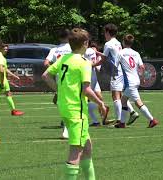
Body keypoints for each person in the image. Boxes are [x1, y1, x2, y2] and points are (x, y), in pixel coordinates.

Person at [42, 28, 106, 180]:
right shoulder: (83, 63)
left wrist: (59, 90)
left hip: (65, 107)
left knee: (87, 146)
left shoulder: (63, 58)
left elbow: (46, 75)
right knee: (76, 150)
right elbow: (86, 89)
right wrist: (100, 103)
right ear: (85, 43)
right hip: (76, 110)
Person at [93, 23, 139, 125]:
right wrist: (97, 53)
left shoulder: (108, 44)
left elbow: (103, 59)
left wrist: (92, 65)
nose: (104, 34)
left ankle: (119, 120)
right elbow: (109, 56)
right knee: (121, 95)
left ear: (108, 32)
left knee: (115, 96)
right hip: (121, 71)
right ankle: (132, 112)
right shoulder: (118, 43)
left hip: (115, 71)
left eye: (105, 32)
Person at [115, 34, 159, 128]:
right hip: (136, 80)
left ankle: (152, 120)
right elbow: (142, 67)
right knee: (124, 100)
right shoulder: (136, 53)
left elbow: (115, 66)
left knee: (138, 102)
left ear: (123, 42)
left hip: (129, 82)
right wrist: (142, 77)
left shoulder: (120, 53)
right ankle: (122, 123)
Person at [43, 28, 72, 138]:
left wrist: (56, 69)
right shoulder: (72, 48)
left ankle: (66, 125)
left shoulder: (54, 49)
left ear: (59, 38)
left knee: (63, 102)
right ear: (69, 37)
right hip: (72, 77)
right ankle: (67, 127)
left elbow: (46, 63)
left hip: (60, 78)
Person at [84, 42, 109, 126]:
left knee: (84, 100)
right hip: (93, 77)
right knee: (97, 97)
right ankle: (100, 117)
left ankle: (102, 108)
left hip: (87, 77)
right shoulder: (92, 51)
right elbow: (98, 67)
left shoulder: (85, 51)